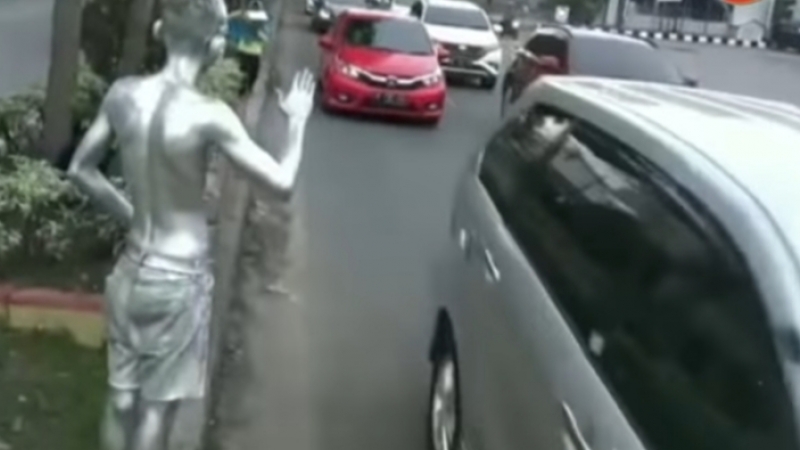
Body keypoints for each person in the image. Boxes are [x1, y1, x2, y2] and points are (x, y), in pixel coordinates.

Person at [67, 0, 315, 449]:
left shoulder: (122, 93)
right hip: (177, 283)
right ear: (213, 42)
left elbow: (81, 169)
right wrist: (296, 123)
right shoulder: (209, 115)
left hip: (130, 271)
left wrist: (132, 216)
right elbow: (280, 182)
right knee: (156, 409)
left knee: (122, 399)